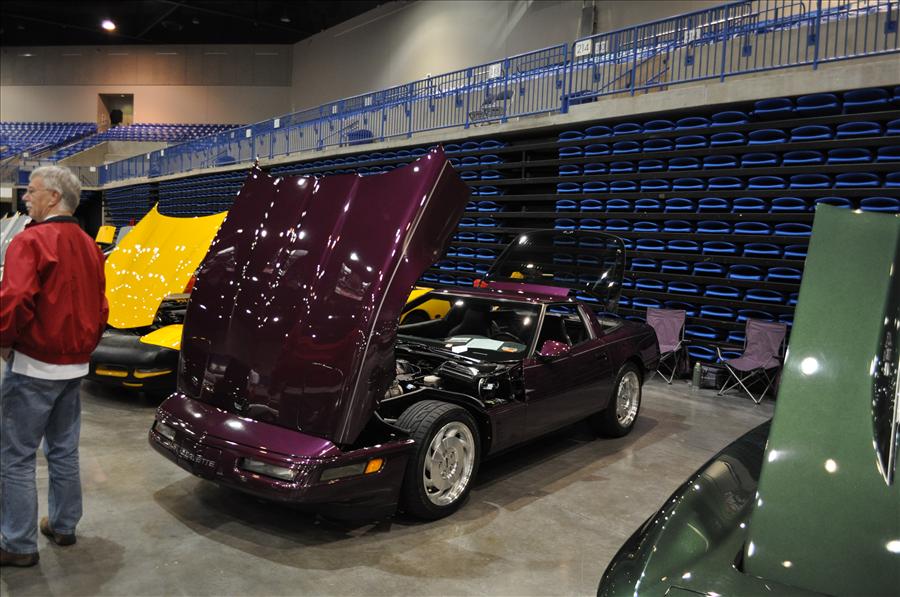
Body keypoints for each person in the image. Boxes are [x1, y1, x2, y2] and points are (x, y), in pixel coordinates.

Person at [0, 165, 108, 567]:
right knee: (63, 450)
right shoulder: (90, 246)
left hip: (33, 366)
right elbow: (101, 307)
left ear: (54, 197)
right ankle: (64, 525)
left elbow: (15, 300)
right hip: (74, 367)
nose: (26, 197)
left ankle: (17, 543)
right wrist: (83, 348)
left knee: (15, 456)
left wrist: (4, 340)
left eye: (32, 191)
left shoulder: (30, 242)